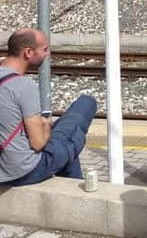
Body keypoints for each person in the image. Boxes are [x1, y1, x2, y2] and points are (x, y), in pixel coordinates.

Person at [0, 28, 97, 186]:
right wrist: (45, 125)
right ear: (28, 52)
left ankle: (72, 182)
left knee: (63, 141)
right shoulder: (23, 85)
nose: (47, 54)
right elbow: (38, 143)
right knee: (84, 107)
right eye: (44, 49)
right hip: (24, 171)